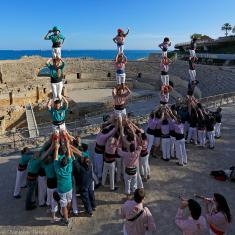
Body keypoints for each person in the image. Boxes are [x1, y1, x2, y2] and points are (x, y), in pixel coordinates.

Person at [53, 140, 73, 226]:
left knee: (63, 205)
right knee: (69, 201)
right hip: (69, 187)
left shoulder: (58, 169)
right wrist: (68, 146)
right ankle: (68, 213)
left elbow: (55, 158)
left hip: (62, 189)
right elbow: (69, 156)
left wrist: (56, 148)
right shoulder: (69, 167)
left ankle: (66, 219)